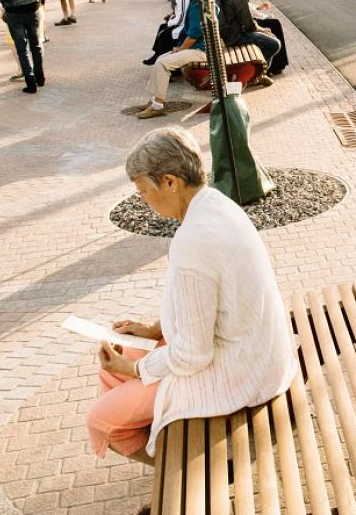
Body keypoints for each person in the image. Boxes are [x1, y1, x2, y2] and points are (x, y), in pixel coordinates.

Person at [87, 127, 295, 465]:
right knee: (116, 362)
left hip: (239, 372)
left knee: (101, 421)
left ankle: (190, 477)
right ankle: (166, 438)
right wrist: (154, 330)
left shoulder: (193, 240)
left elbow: (193, 356)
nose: (142, 200)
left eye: (143, 191)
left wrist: (136, 367)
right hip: (257, 352)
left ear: (170, 181)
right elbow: (210, 303)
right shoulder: (216, 203)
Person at [137, 0, 208, 118]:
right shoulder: (197, 0)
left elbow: (194, 35)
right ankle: (153, 100)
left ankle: (158, 106)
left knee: (163, 64)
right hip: (199, 48)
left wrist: (180, 49)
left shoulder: (197, 4)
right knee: (159, 59)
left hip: (200, 51)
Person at [218, 0, 282, 87]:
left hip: (227, 33)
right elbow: (248, 25)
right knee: (275, 43)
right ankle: (257, 74)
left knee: (269, 38)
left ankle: (258, 74)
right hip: (235, 37)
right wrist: (262, 29)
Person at [144, 0, 192, 66]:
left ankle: (160, 58)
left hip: (183, 24)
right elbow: (175, 9)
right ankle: (157, 54)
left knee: (164, 34)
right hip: (180, 21)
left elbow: (181, 18)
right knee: (162, 27)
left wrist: (170, 22)